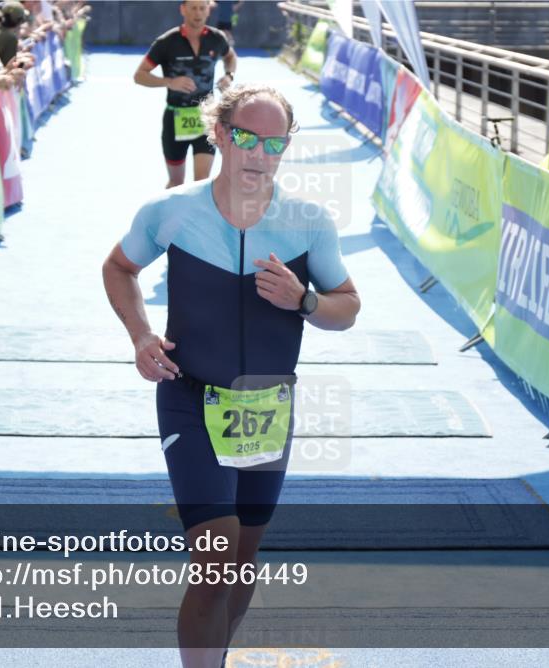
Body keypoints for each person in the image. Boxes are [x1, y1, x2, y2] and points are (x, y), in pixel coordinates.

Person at [102, 84, 360, 668]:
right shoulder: (170, 210)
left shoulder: (309, 223)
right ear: (218, 133)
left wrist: (305, 302)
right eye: (245, 137)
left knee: (241, 562)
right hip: (188, 398)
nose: (257, 154)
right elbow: (119, 268)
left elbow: (347, 306)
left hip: (266, 407)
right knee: (215, 560)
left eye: (273, 143)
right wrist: (141, 335)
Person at [134, 0, 237, 189]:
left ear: (208, 10)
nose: (197, 13)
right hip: (176, 118)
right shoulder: (167, 42)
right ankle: (168, 217)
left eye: (202, 8)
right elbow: (139, 75)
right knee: (176, 182)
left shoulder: (217, 38)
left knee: (201, 181)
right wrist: (169, 82)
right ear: (183, 9)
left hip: (206, 117)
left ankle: (197, 219)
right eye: (193, 8)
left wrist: (229, 75)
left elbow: (230, 57)